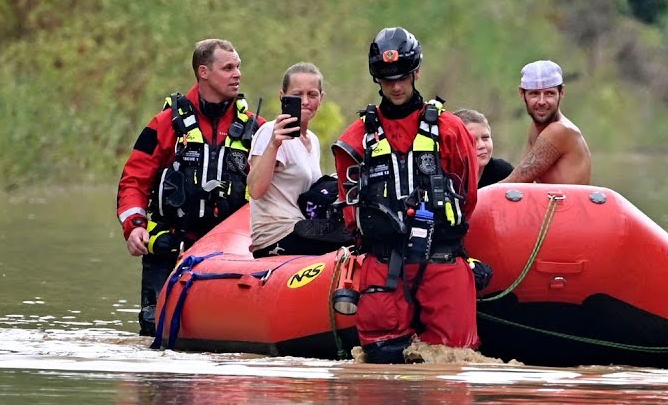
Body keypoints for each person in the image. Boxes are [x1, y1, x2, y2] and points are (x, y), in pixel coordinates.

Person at [332, 27, 480, 364]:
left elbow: (468, 196)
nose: (396, 87)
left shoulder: (450, 129)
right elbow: (350, 208)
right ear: (377, 80)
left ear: (416, 72)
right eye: (387, 79)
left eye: (401, 77)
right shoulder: (355, 139)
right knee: (379, 365)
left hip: (442, 259)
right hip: (383, 265)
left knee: (452, 364)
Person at [115, 38, 264, 336]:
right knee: (156, 329)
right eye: (228, 67)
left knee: (228, 333)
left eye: (239, 67)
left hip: (231, 254)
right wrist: (134, 227)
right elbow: (133, 180)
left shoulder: (256, 128)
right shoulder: (165, 124)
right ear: (204, 72)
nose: (237, 74)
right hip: (170, 247)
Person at [248, 62, 349, 257]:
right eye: (297, 95)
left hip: (304, 227)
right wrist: (273, 145)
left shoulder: (313, 140)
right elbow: (255, 190)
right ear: (282, 96)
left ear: (321, 98)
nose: (304, 101)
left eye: (312, 95)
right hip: (275, 235)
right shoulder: (270, 131)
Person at [501, 59, 592, 185]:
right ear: (522, 94)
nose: (542, 101)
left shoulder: (560, 130)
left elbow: (516, 182)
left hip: (568, 204)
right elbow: (521, 182)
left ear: (561, 93)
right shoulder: (535, 128)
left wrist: (478, 196)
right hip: (548, 204)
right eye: (534, 94)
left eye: (549, 94)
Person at [453, 108, 513, 187]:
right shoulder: (444, 177)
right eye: (472, 141)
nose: (481, 145)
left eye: (485, 138)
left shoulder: (503, 172)